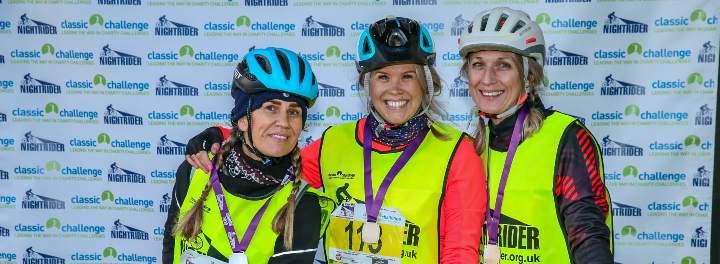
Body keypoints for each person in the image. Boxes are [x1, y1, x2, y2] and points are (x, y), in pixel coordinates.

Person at [184, 17, 487, 263]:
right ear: (367, 85)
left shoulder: (456, 151)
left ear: (426, 84)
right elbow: (274, 159)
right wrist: (219, 137)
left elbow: (459, 252)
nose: (395, 89)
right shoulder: (335, 141)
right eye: (383, 77)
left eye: (407, 76)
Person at [458, 7, 613, 263]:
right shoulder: (469, 145)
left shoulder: (567, 138)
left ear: (529, 75)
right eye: (478, 65)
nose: (487, 79)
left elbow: (588, 235)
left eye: (503, 66)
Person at [162, 47, 333, 264]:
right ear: (242, 119)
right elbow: (171, 250)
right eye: (271, 108)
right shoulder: (194, 171)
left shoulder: (303, 204)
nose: (284, 122)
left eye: (293, 112)